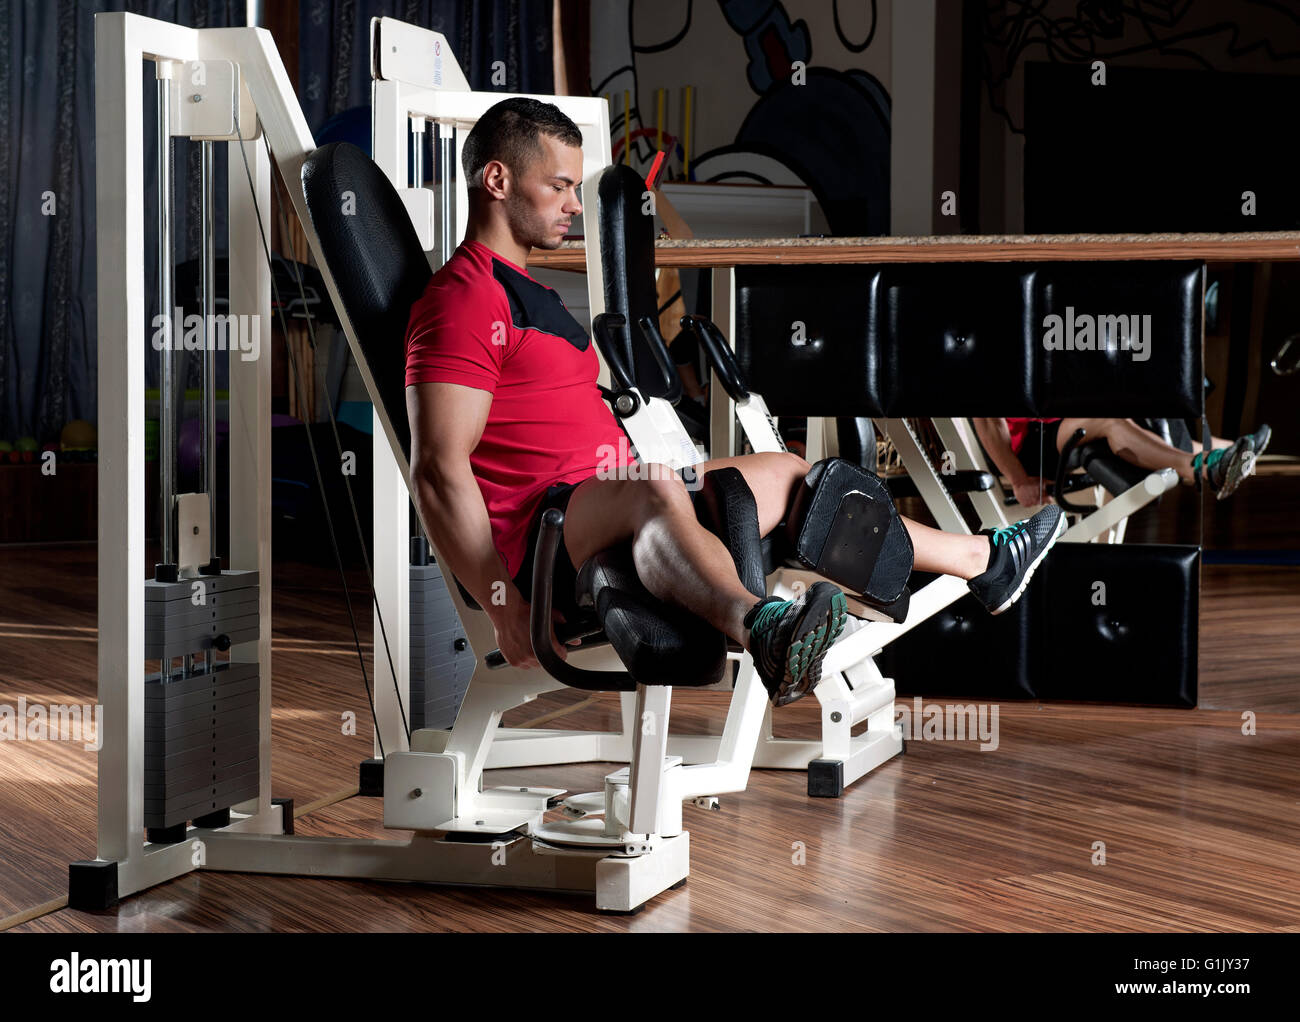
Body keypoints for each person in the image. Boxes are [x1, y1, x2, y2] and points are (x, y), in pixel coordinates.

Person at [404, 98, 1065, 707]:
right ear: (496, 181)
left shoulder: (531, 291)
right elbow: (437, 467)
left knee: (787, 472)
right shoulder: (462, 301)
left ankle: (982, 562)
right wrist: (501, 602)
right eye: (559, 186)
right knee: (654, 484)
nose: (575, 203)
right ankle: (764, 627)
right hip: (546, 534)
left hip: (598, 494)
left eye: (577, 186)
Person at [973, 417, 1269, 506]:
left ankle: (1235, 453)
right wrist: (1019, 480)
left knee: (1147, 416)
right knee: (1110, 422)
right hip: (1035, 442)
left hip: (1061, 418)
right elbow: (988, 422)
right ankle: (1201, 467)